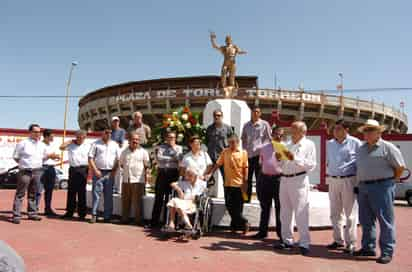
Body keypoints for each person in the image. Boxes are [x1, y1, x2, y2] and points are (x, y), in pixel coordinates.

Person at [354, 119, 405, 264]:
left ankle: (387, 251)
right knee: (366, 220)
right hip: (363, 187)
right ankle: (368, 247)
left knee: (385, 221)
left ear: (378, 132)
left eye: (370, 130)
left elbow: (400, 167)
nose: (367, 133)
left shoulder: (388, 147)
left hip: (382, 187)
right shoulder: (361, 149)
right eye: (365, 130)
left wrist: (390, 182)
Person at [275, 121, 316, 256]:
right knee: (285, 213)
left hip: (299, 180)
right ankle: (287, 240)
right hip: (285, 179)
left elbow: (311, 165)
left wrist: (295, 158)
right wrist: (279, 157)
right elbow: (280, 163)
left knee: (301, 212)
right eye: (291, 129)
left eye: (295, 129)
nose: (292, 132)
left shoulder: (309, 145)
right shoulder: (286, 144)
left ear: (303, 132)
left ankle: (304, 243)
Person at [11, 124, 59, 224]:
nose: (38, 134)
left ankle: (32, 213)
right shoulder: (23, 143)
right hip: (25, 171)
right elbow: (16, 157)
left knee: (33, 193)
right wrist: (24, 165)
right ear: (30, 132)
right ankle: (16, 215)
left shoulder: (41, 145)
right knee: (20, 193)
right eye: (36, 132)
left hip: (37, 171)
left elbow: (44, 157)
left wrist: (51, 156)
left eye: (39, 132)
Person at [326, 119, 361, 254]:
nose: (335, 131)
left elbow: (360, 163)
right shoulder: (329, 144)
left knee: (350, 214)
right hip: (333, 180)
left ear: (347, 130)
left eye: (339, 128)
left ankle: (351, 243)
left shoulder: (356, 143)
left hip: (349, 180)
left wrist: (358, 183)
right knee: (335, 213)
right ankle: (337, 240)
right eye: (334, 128)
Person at [208, 134, 250, 234]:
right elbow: (218, 164)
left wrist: (245, 180)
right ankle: (244, 222)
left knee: (238, 207)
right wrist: (210, 173)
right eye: (229, 142)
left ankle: (237, 226)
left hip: (239, 184)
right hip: (228, 183)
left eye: (233, 142)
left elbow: (245, 167)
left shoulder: (243, 153)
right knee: (229, 205)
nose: (231, 144)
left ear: (237, 142)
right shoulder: (225, 152)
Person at [252, 126, 284, 240]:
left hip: (279, 180)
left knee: (280, 208)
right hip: (265, 179)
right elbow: (261, 163)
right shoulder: (264, 148)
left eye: (281, 135)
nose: (279, 137)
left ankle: (281, 234)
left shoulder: (285, 148)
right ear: (272, 134)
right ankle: (262, 232)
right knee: (265, 207)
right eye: (276, 134)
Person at [114, 132, 150, 225]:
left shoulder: (143, 152)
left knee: (138, 202)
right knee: (125, 200)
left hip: (138, 179)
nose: (135, 141)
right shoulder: (124, 152)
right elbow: (121, 164)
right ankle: (124, 219)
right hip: (126, 179)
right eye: (133, 139)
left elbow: (147, 166)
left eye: (137, 140)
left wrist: (147, 178)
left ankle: (138, 220)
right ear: (129, 141)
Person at [150, 131, 183, 228]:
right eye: (169, 137)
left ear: (175, 138)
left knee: (171, 198)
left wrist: (172, 150)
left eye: (173, 137)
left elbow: (179, 158)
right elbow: (159, 158)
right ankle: (154, 222)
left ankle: (167, 221)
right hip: (162, 173)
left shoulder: (179, 148)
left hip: (173, 174)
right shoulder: (161, 147)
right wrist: (172, 158)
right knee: (159, 198)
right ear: (166, 138)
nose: (171, 139)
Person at [88, 129, 121, 223]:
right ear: (102, 133)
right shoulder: (95, 144)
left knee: (108, 195)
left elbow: (118, 159)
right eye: (106, 132)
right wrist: (95, 170)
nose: (109, 134)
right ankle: (94, 215)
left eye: (110, 133)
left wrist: (114, 171)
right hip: (98, 172)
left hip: (110, 173)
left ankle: (107, 216)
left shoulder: (115, 145)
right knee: (96, 194)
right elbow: (90, 158)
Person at [241, 107, 271, 202]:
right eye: (254, 112)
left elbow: (269, 139)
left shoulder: (265, 124)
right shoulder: (246, 125)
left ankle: (260, 198)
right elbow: (243, 139)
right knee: (247, 178)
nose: (255, 113)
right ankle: (247, 198)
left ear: (260, 113)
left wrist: (264, 151)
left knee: (260, 179)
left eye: (257, 112)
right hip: (248, 155)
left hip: (259, 155)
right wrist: (244, 151)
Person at [60, 130, 90, 220]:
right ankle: (69, 212)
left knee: (82, 192)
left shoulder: (88, 146)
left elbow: (91, 159)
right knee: (71, 192)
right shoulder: (71, 145)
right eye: (78, 137)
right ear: (75, 137)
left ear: (85, 138)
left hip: (83, 169)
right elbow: (61, 147)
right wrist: (70, 141)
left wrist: (89, 175)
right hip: (73, 169)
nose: (80, 139)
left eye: (82, 137)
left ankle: (82, 214)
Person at [38, 129, 60, 217]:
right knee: (38, 190)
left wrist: (55, 157)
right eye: (52, 136)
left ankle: (48, 209)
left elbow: (53, 155)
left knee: (49, 190)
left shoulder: (51, 145)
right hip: (42, 168)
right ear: (46, 136)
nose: (53, 138)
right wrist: (49, 156)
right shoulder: (39, 145)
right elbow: (38, 157)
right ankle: (34, 209)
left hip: (51, 168)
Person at [110, 116, 126, 194]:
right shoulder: (110, 132)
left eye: (117, 121)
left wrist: (113, 143)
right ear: (112, 123)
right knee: (112, 170)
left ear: (119, 122)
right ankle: (112, 187)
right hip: (111, 153)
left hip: (118, 152)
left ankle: (118, 188)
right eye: (114, 121)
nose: (116, 122)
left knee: (119, 170)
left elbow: (121, 143)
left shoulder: (122, 131)